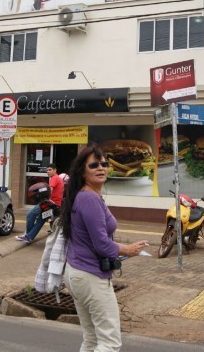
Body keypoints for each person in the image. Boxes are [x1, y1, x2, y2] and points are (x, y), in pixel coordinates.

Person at [61, 144, 149, 351]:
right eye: (93, 165)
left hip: (77, 273)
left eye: (104, 164)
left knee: (91, 339)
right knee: (109, 342)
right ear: (83, 172)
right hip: (91, 276)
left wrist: (124, 250)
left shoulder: (84, 195)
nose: (101, 168)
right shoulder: (89, 198)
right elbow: (101, 243)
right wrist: (128, 249)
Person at [16, 164, 64, 244]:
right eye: (47, 170)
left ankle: (28, 235)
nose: (48, 171)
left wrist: (44, 200)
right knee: (40, 220)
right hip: (55, 205)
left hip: (49, 204)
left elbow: (49, 191)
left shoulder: (54, 178)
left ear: (55, 170)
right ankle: (29, 237)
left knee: (30, 214)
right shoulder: (58, 178)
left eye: (50, 170)